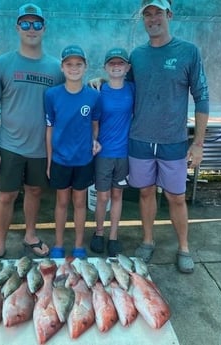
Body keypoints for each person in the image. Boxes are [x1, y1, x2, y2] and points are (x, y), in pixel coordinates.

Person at [128, 0, 209, 273]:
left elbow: (202, 98)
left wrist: (197, 144)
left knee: (176, 197)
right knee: (146, 192)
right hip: (139, 139)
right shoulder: (136, 55)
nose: (153, 19)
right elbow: (124, 89)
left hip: (173, 141)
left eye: (158, 13)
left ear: (169, 15)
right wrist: (101, 82)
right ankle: (148, 241)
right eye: (147, 14)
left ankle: (183, 248)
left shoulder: (188, 52)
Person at [0, 3, 64, 269]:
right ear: (17, 28)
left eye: (37, 24)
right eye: (26, 24)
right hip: (10, 146)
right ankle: (0, 243)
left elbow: (71, 96)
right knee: (6, 196)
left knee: (35, 191)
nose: (32, 29)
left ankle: (30, 236)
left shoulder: (55, 68)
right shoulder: (0, 64)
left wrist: (97, 82)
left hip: (41, 148)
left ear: (44, 28)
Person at [45, 45, 101, 259]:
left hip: (83, 160)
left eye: (78, 64)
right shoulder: (51, 95)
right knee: (61, 202)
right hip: (60, 159)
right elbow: (49, 129)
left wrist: (94, 141)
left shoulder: (93, 96)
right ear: (62, 67)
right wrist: (50, 161)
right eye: (69, 64)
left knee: (79, 202)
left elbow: (95, 125)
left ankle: (78, 245)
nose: (74, 68)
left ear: (85, 67)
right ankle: (58, 244)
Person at [89, 48, 135, 257]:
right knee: (102, 196)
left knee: (117, 195)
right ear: (105, 67)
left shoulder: (134, 89)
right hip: (103, 154)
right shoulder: (97, 90)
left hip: (124, 153)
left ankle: (114, 236)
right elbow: (92, 121)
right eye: (112, 63)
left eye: (120, 63)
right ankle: (99, 233)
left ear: (127, 68)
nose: (116, 66)